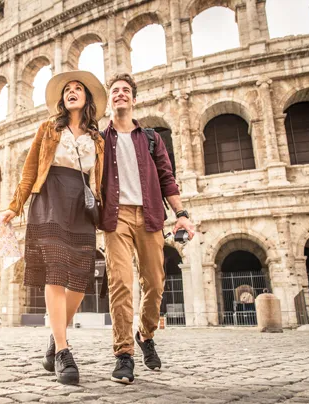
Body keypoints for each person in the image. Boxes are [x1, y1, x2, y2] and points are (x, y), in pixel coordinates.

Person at [2, 70, 106, 385]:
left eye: (78, 89)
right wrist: (14, 206)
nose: (72, 92)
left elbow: (102, 178)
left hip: (82, 202)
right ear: (62, 100)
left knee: (79, 277)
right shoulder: (48, 129)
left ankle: (54, 336)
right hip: (49, 197)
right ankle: (63, 349)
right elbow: (30, 168)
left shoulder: (98, 138)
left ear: (87, 98)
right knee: (56, 271)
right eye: (67, 90)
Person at [99, 73, 195, 384]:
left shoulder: (152, 138)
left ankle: (145, 335)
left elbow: (167, 178)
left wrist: (181, 213)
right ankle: (124, 354)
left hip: (152, 215)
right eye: (115, 91)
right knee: (121, 283)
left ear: (134, 99)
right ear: (109, 100)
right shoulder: (100, 140)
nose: (120, 95)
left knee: (155, 282)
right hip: (116, 218)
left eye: (126, 91)